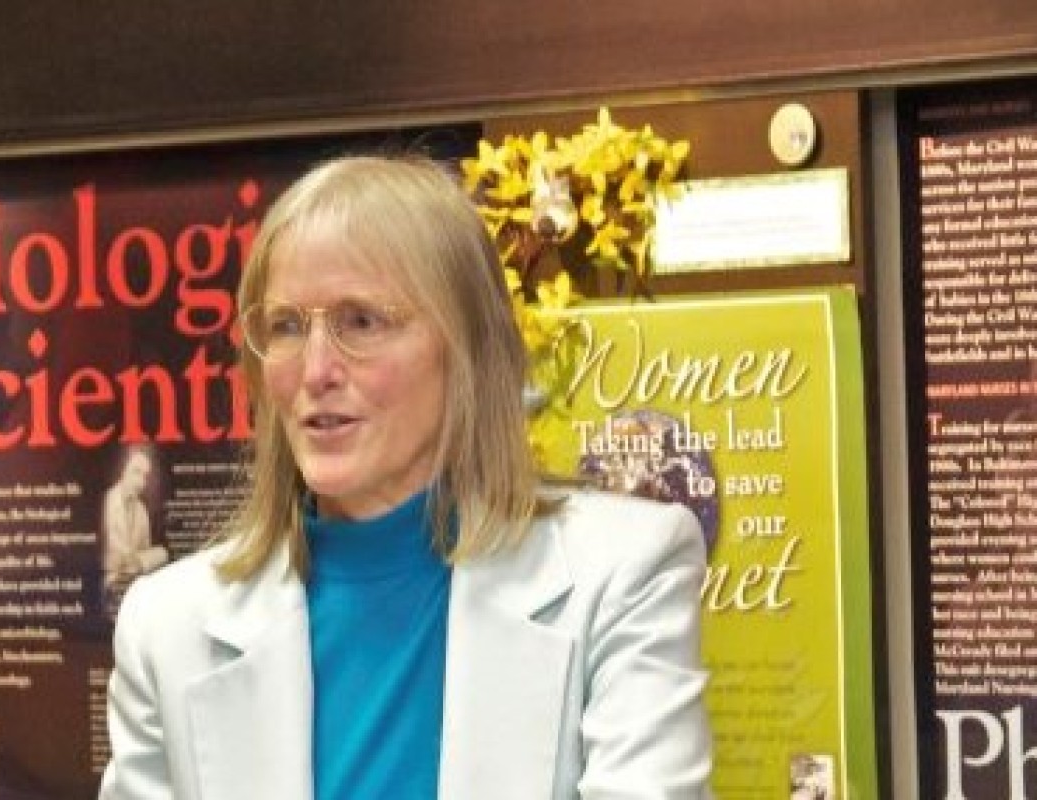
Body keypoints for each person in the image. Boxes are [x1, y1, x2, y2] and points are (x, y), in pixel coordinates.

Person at [99, 155, 713, 800]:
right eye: (285, 326)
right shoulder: (167, 626)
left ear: (470, 349)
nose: (315, 371)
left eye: (360, 321)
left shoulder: (622, 572)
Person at [102, 449, 167, 616]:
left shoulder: (142, 511)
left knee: (162, 553)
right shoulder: (106, 501)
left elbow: (146, 555)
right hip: (108, 585)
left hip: (134, 586)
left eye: (145, 476)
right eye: (136, 472)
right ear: (123, 471)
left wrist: (136, 561)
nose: (141, 482)